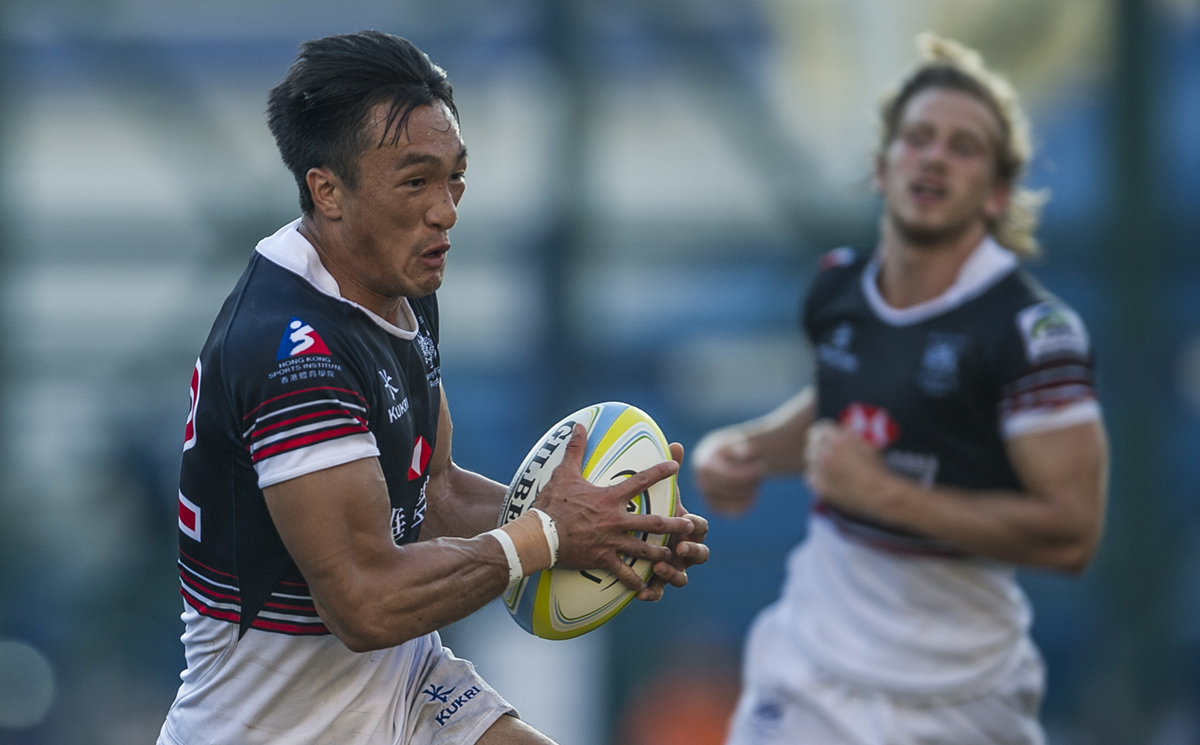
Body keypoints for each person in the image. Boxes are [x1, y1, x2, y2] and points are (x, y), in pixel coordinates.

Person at [157, 30, 708, 745]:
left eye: (456, 178)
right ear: (327, 189)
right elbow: (366, 601)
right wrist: (546, 533)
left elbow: (435, 494)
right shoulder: (293, 353)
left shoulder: (400, 288)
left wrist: (604, 526)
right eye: (415, 181)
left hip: (406, 687)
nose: (445, 209)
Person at [694, 34, 1107, 745]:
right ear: (883, 165)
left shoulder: (1031, 332)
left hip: (960, 696)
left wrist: (886, 494)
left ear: (998, 192)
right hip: (811, 665)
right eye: (918, 137)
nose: (935, 156)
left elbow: (1072, 532)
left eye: (964, 146)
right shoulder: (837, 286)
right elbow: (845, 403)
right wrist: (741, 450)